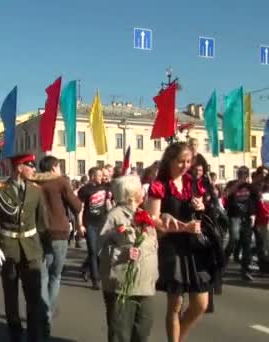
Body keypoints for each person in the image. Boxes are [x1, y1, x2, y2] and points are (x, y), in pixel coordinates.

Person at [145, 142, 213, 342]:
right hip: (172, 247)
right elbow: (152, 219)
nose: (185, 166)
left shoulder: (193, 183)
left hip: (195, 248)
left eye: (188, 161)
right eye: (181, 161)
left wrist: (201, 206)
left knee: (201, 303)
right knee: (175, 304)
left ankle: (178, 338)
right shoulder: (160, 186)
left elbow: (201, 213)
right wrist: (182, 226)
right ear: (170, 161)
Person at [0, 153, 47, 342]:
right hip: (9, 249)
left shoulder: (36, 191)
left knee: (34, 297)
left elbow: (41, 223)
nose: (34, 169)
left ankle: (34, 335)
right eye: (31, 165)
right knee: (11, 296)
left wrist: (43, 249)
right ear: (19, 167)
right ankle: (15, 332)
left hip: (31, 249)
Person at [99, 175, 158, 342]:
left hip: (146, 284)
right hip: (122, 286)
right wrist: (123, 252)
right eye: (140, 189)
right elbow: (101, 247)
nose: (144, 192)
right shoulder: (114, 216)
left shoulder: (143, 214)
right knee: (120, 334)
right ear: (132, 195)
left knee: (142, 331)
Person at [32, 156, 81, 338]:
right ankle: (47, 314)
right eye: (59, 166)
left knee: (43, 276)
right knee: (56, 275)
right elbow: (76, 205)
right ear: (54, 167)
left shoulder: (35, 181)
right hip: (59, 232)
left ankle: (42, 315)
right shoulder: (61, 182)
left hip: (40, 232)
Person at [78, 167, 112, 290]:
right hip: (90, 224)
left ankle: (85, 268)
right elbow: (80, 208)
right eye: (99, 175)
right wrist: (80, 225)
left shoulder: (106, 187)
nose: (101, 177)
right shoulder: (84, 190)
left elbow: (109, 203)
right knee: (92, 251)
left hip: (102, 224)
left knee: (98, 251)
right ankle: (95, 279)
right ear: (92, 176)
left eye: (102, 176)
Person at [224, 166, 258, 281]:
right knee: (233, 240)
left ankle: (245, 270)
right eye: (240, 174)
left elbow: (254, 202)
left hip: (247, 218)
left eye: (244, 174)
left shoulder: (250, 187)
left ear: (247, 175)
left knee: (246, 244)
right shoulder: (231, 184)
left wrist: (253, 215)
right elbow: (226, 194)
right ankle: (222, 265)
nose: (242, 176)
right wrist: (237, 184)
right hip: (234, 216)